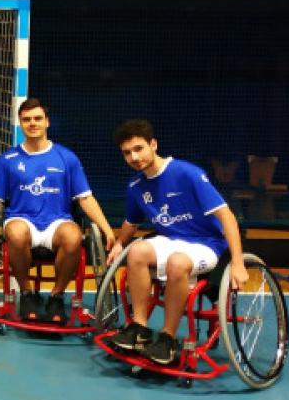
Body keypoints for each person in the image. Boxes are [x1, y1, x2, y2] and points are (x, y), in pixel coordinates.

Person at [106, 119, 248, 365]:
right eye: (127, 153)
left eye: (139, 149)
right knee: (137, 251)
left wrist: (237, 263)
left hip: (206, 243)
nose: (134, 157)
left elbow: (226, 216)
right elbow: (132, 222)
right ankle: (139, 329)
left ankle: (168, 338)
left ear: (153, 144)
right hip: (170, 239)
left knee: (176, 263)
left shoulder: (186, 172)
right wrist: (120, 243)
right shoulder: (136, 186)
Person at [0, 98, 115, 324]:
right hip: (21, 218)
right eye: (26, 119)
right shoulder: (8, 159)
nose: (32, 123)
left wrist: (107, 230)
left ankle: (57, 296)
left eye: (37, 118)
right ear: (20, 123)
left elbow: (85, 198)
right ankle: (28, 294)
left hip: (57, 222)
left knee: (73, 235)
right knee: (16, 233)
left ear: (47, 122)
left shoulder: (66, 157)